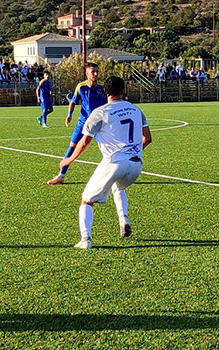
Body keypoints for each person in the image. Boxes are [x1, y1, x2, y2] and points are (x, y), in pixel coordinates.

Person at [59, 76, 151, 249]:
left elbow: (84, 142)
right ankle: (124, 220)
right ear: (123, 91)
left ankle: (85, 240)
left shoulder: (100, 112)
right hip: (136, 165)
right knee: (118, 186)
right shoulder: (136, 110)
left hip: (115, 162)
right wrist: (133, 152)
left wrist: (69, 160)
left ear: (105, 92)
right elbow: (148, 138)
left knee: (86, 200)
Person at [47, 62, 106, 185]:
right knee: (72, 146)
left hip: (100, 123)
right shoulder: (81, 87)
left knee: (106, 149)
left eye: (97, 71)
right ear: (86, 73)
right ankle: (61, 175)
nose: (95, 74)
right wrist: (69, 115)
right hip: (83, 122)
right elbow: (73, 101)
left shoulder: (102, 88)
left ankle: (112, 175)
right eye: (92, 72)